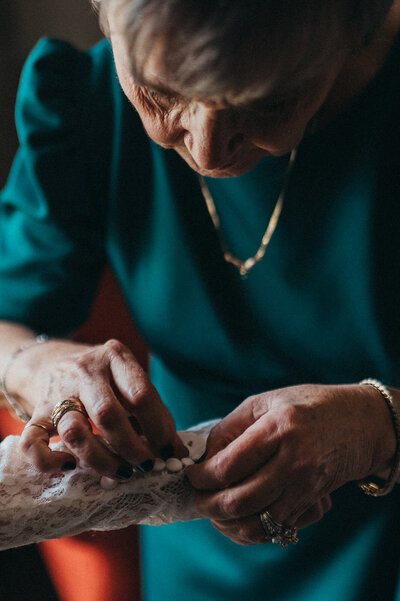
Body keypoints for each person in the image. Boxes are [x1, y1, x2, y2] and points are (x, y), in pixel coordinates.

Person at [1, 0, 400, 599]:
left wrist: (381, 427)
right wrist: (40, 366)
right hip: (196, 559)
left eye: (269, 103)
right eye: (161, 91)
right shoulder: (83, 106)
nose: (208, 153)